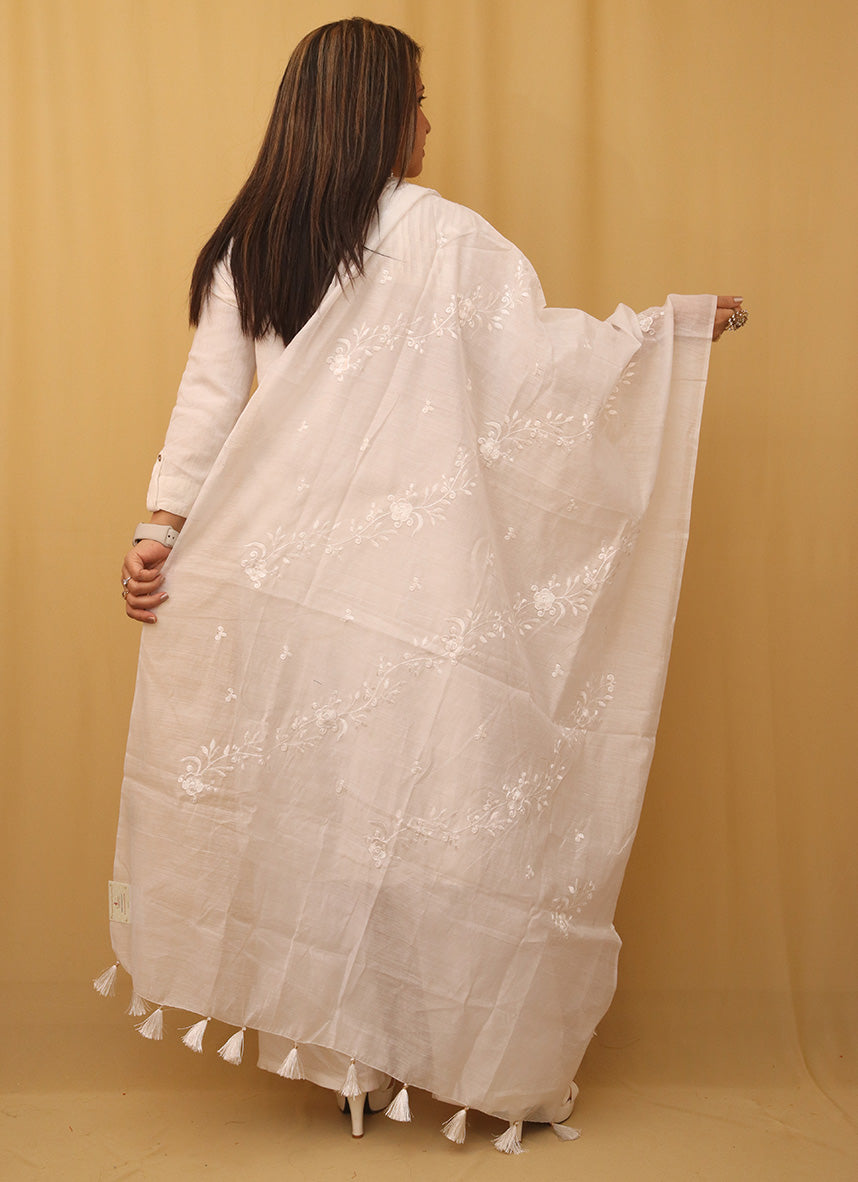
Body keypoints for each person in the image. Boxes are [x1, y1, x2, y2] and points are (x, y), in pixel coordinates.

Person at [104, 17, 746, 1153]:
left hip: (287, 592)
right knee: (434, 814)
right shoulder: (439, 239)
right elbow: (545, 373)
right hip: (413, 590)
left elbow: (205, 406)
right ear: (370, 115)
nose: (429, 124)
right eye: (415, 102)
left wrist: (162, 526)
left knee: (327, 811)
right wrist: (665, 339)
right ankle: (455, 1064)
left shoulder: (258, 242)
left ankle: (358, 1066)